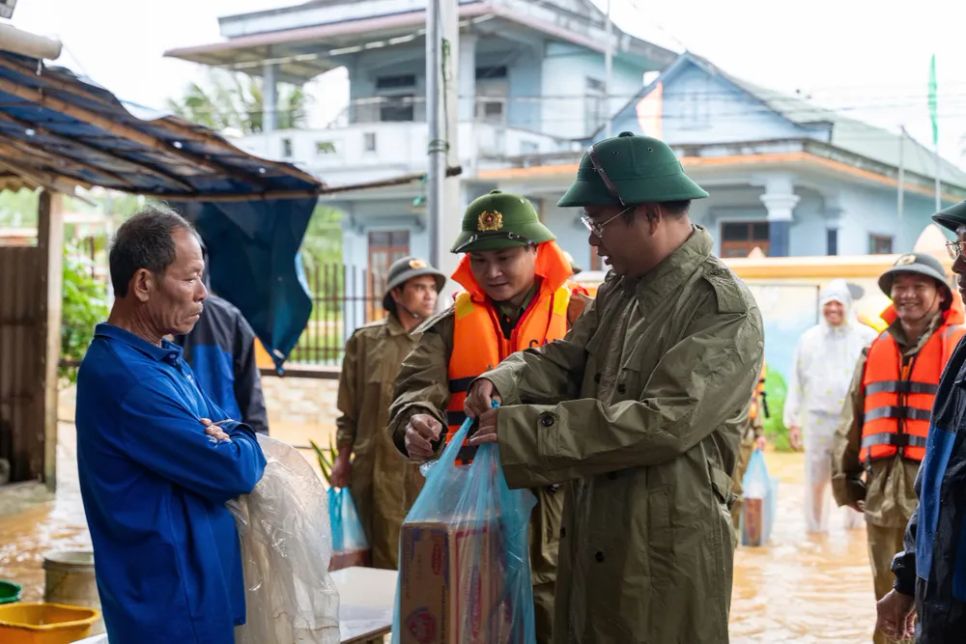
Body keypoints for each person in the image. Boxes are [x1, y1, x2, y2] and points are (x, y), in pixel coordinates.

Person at [461, 132, 764, 642]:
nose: (593, 243)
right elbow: (569, 359)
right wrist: (505, 378)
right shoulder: (621, 291)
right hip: (593, 521)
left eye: (597, 223)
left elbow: (665, 422)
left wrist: (526, 431)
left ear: (649, 215)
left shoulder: (720, 307)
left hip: (664, 547)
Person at [389, 189, 588, 644]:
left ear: (535, 251)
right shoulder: (448, 326)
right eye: (479, 261)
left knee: (556, 615)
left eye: (504, 258)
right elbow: (413, 390)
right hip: (470, 511)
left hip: (562, 505)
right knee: (467, 617)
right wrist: (414, 422)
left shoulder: (581, 316)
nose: (492, 272)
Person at [75, 207, 266, 643]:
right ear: (144, 283)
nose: (202, 293)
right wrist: (237, 439)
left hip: (196, 594)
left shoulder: (163, 360)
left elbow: (232, 428)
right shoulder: (128, 379)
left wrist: (233, 435)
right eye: (191, 277)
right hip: (171, 606)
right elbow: (234, 470)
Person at [832, 252, 964, 644]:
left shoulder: (957, 347)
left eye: (918, 286)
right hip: (882, 490)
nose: (907, 295)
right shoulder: (875, 349)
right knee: (886, 595)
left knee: (935, 597)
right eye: (899, 287)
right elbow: (853, 416)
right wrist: (845, 481)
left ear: (941, 294)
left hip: (937, 496)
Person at [876, 201, 966, 642]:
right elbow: (943, 483)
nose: (959, 264)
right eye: (959, 248)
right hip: (942, 595)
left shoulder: (951, 342)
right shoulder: (963, 357)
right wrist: (909, 580)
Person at [331, 255, 445, 569]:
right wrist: (343, 458)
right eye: (419, 287)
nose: (429, 295)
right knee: (370, 556)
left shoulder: (439, 340)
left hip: (420, 470)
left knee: (420, 557)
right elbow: (349, 408)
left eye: (432, 288)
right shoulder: (365, 341)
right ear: (396, 294)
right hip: (372, 469)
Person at [786, 280, 876, 533]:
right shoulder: (809, 339)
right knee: (816, 478)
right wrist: (793, 421)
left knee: (855, 475)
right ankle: (815, 531)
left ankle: (854, 530)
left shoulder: (866, 337)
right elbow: (797, 381)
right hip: (818, 420)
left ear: (848, 305)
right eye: (828, 303)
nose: (833, 309)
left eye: (838, 303)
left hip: (856, 419)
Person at [175, 292, 269, 434]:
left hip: (224, 433)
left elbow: (249, 389)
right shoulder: (229, 316)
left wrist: (258, 438)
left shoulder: (228, 317)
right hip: (213, 433)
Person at [730, 361, 768, 533]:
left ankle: (734, 534)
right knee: (730, 488)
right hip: (728, 437)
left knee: (737, 489)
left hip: (744, 439)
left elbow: (755, 400)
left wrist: (759, 433)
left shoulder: (756, 359)